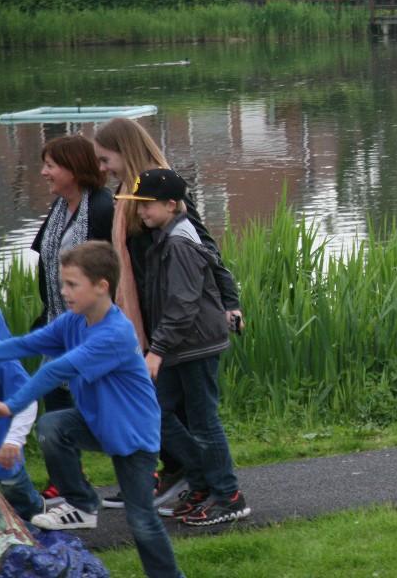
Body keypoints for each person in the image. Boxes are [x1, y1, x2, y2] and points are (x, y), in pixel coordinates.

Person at [0, 241, 183, 578]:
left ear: (101, 286)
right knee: (53, 426)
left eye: (72, 284)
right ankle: (82, 503)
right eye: (63, 283)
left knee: (141, 520)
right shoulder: (73, 322)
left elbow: (56, 370)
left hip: (132, 433)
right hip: (95, 422)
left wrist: (11, 405)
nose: (63, 291)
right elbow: (27, 344)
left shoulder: (114, 334)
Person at [93, 116, 242, 509]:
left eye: (106, 159)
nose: (103, 169)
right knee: (158, 407)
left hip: (176, 326)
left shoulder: (164, 195)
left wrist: (230, 302)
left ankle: (214, 486)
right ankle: (197, 478)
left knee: (189, 414)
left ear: (126, 152)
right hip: (157, 319)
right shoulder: (131, 196)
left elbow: (207, 255)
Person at [115, 169, 250, 526]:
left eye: (146, 205)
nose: (140, 211)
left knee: (204, 423)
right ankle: (202, 482)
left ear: (171, 205)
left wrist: (156, 350)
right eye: (138, 205)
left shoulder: (178, 243)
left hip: (196, 345)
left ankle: (229, 496)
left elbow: (183, 305)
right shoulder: (166, 235)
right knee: (157, 411)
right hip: (182, 344)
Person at [31, 135, 115, 414]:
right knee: (54, 393)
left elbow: (119, 271)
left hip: (94, 326)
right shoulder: (60, 208)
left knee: (96, 403)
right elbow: (47, 263)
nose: (44, 172)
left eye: (50, 165)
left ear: (74, 169)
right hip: (60, 322)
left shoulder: (103, 208)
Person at [0, 313, 44, 522]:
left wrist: (14, 440)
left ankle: (34, 510)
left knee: (12, 482)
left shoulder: (4, 361)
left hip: (2, 441)